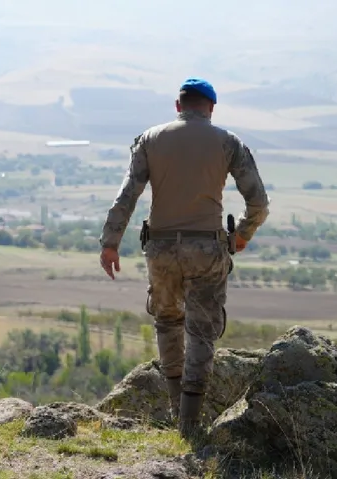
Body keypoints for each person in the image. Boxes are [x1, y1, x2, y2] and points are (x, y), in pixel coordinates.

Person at [97, 77, 270, 438]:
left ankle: (175, 407)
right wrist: (241, 234)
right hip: (207, 249)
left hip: (159, 249)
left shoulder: (150, 139)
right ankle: (190, 423)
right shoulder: (228, 142)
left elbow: (128, 194)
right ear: (210, 108)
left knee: (167, 322)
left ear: (178, 106)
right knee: (202, 330)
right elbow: (259, 202)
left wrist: (110, 242)